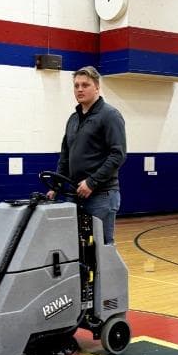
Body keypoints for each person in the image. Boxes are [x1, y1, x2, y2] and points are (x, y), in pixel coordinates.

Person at [51, 66, 126, 245]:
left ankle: (106, 275)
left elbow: (118, 155)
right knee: (75, 248)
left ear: (97, 87)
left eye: (85, 85)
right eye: (76, 85)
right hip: (74, 194)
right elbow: (65, 156)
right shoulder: (73, 119)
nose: (80, 89)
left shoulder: (110, 116)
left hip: (101, 196)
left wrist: (91, 182)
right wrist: (56, 185)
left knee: (102, 248)